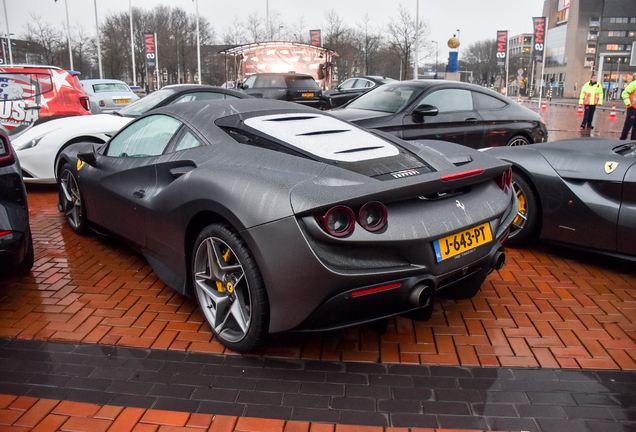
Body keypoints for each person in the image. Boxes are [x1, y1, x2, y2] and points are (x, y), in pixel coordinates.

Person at [620, 73, 636, 141]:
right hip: (632, 107)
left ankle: (633, 140)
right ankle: (622, 139)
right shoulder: (634, 83)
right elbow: (624, 93)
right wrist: (628, 103)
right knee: (628, 124)